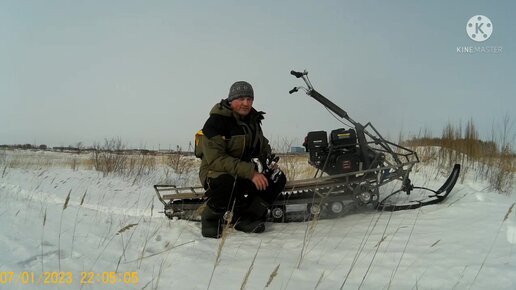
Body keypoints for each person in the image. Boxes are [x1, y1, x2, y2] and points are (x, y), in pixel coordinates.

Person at [198, 81, 286, 239]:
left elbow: (263, 144)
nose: (246, 103)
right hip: (217, 172)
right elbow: (217, 159)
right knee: (228, 184)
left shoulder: (253, 121)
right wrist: (251, 173)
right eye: (241, 98)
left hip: (244, 170)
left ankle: (245, 218)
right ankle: (210, 219)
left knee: (277, 179)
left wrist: (268, 161)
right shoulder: (216, 122)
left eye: (249, 99)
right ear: (231, 100)